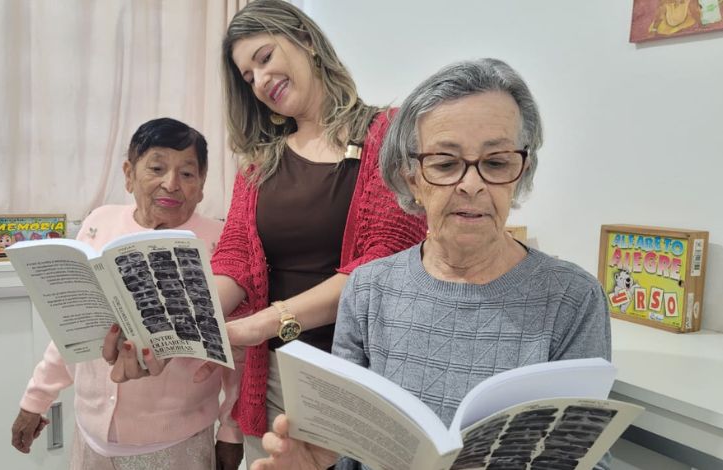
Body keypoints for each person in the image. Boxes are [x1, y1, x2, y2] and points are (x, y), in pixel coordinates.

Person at [103, 0, 428, 466]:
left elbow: (383, 264)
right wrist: (170, 328)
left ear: (307, 39)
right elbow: (234, 262)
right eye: (247, 77)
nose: (259, 81)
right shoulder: (259, 163)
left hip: (367, 377)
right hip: (277, 380)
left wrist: (263, 324)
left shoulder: (389, 132)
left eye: (264, 58)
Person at [250, 58, 612, 470]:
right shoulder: (369, 289)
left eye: (496, 162)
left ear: (520, 171)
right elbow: (347, 453)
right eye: (444, 163)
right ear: (411, 178)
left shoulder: (573, 299)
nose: (472, 185)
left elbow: (586, 457)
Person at [10, 118, 244, 470]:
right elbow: (70, 328)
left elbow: (235, 354)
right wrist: (35, 399)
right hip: (91, 436)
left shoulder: (221, 241)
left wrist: (231, 430)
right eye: (156, 167)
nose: (171, 183)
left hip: (179, 442)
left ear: (202, 184)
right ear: (129, 174)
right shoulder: (98, 223)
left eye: (187, 173)